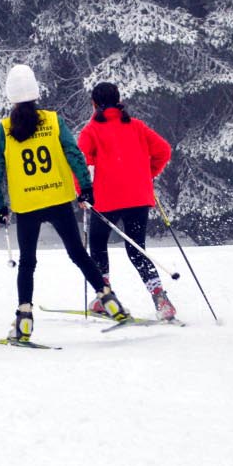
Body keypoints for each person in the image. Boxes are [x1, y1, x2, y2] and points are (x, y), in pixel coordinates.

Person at [0, 64, 128, 342]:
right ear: (36, 92)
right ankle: (110, 301)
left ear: (10, 96)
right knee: (78, 253)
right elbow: (74, 153)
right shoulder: (52, 120)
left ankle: (24, 319)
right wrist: (86, 187)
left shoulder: (4, 129)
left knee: (28, 263)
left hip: (27, 205)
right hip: (58, 198)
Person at [77, 82, 176, 321]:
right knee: (137, 249)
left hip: (106, 198)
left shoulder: (91, 131)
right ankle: (160, 299)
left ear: (94, 103)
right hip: (139, 197)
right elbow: (164, 150)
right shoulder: (137, 126)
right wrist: (149, 174)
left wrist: (82, 192)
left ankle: (105, 298)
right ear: (119, 100)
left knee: (98, 246)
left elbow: (78, 163)